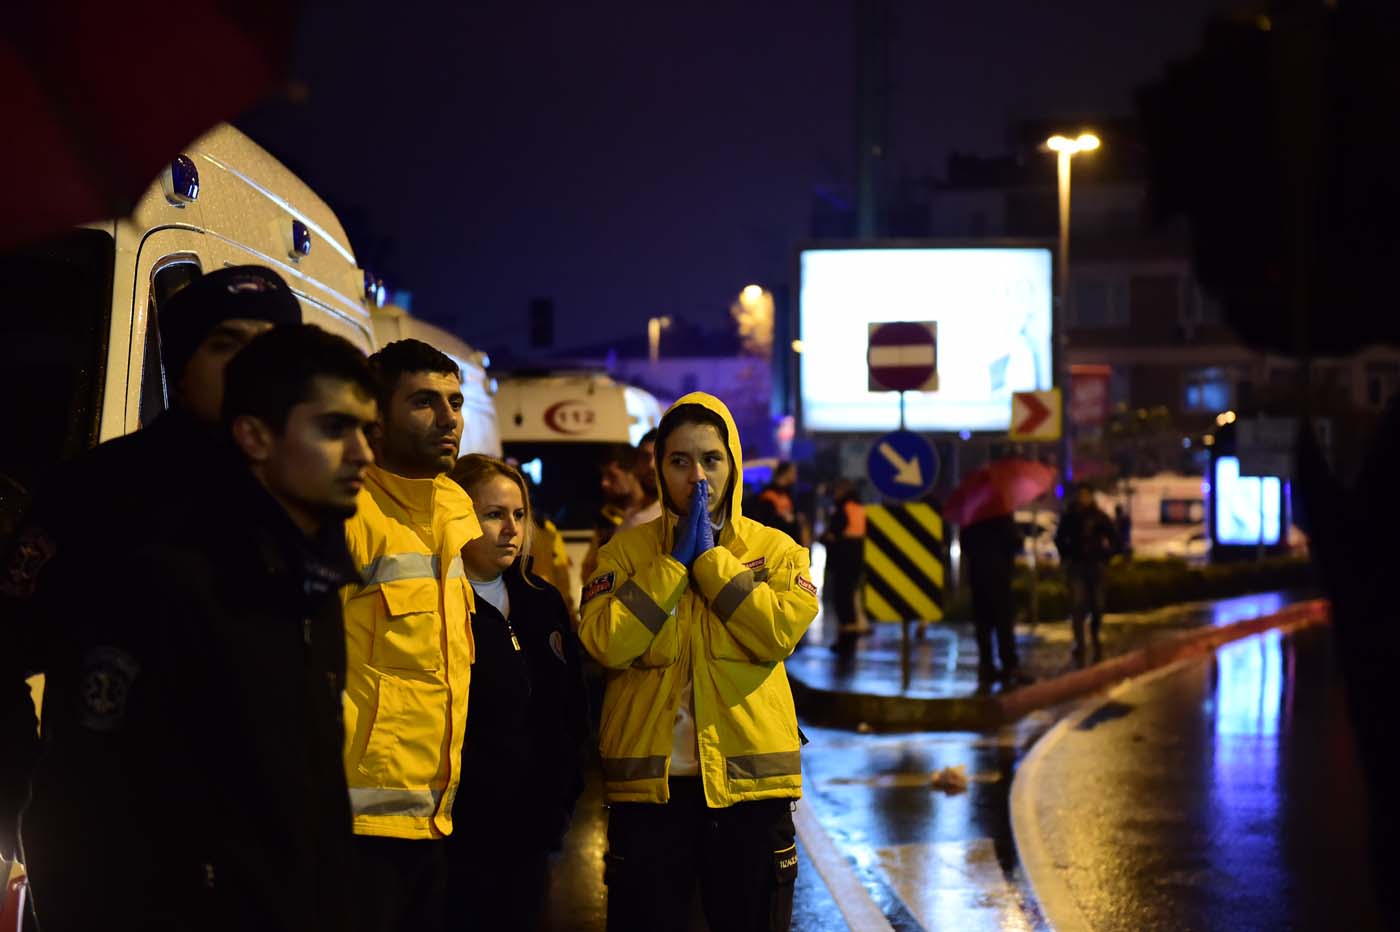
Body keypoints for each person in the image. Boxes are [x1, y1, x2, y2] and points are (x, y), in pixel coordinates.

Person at [19, 325, 376, 931]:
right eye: (334, 429)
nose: (363, 453)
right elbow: (89, 804)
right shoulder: (166, 582)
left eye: (368, 430)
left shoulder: (312, 585)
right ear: (255, 436)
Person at [0, 265, 301, 862]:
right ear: (182, 364)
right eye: (226, 344)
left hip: (257, 867)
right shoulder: (94, 489)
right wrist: (28, 810)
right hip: (113, 859)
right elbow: (5, 648)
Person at [578, 392, 819, 932]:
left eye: (711, 459)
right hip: (652, 798)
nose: (697, 478)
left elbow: (777, 633)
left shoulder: (778, 551)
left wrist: (710, 561)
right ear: (659, 469)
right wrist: (670, 567)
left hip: (750, 799)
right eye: (680, 461)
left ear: (732, 463)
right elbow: (604, 643)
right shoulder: (624, 552)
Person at [339, 338, 482, 932]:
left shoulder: (451, 504)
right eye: (425, 402)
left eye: (455, 400)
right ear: (376, 412)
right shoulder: (347, 511)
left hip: (435, 814)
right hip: (354, 827)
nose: (449, 419)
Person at [444, 455, 588, 932]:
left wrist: (562, 800)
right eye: (493, 514)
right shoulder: (438, 602)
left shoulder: (539, 599)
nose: (511, 528)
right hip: (460, 838)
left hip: (532, 831)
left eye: (519, 514)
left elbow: (571, 706)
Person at [960, 513, 1029, 689]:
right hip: (999, 577)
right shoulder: (1002, 516)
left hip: (979, 577)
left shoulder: (972, 517)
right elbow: (1015, 543)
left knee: (983, 625)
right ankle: (1008, 665)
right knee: (1002, 623)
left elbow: (965, 544)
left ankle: (987, 665)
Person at [1054, 483, 1120, 665]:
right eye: (1081, 495)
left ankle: (1095, 634)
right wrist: (1067, 554)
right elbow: (1059, 538)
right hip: (1077, 566)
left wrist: (1106, 555)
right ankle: (1080, 642)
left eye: (1086, 495)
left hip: (1096, 565)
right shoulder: (1069, 517)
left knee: (1097, 606)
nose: (1083, 499)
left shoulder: (1099, 517)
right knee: (1078, 604)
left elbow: (1114, 537)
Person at [820, 479, 866, 657]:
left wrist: (825, 538)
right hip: (856, 558)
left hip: (842, 559)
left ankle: (845, 643)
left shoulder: (842, 508)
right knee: (849, 602)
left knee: (842, 602)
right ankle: (849, 641)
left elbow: (834, 534)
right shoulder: (859, 507)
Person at [750, 461, 806, 546]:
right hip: (775, 545)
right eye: (793, 472)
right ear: (786, 473)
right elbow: (767, 522)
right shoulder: (768, 495)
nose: (795, 476)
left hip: (790, 545)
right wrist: (785, 520)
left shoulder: (788, 493)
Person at [620, 428, 662, 529]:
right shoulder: (630, 512)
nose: (651, 465)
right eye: (645, 457)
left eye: (659, 457)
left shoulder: (677, 517)